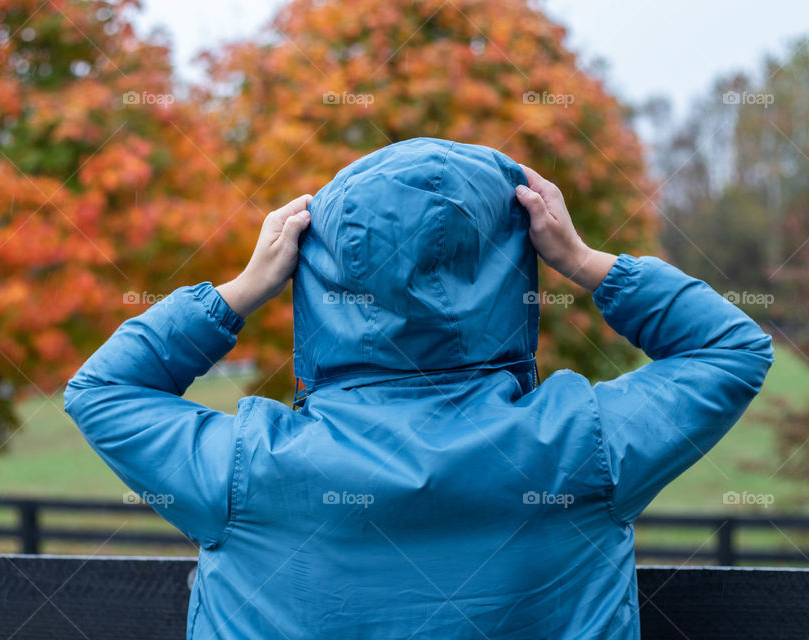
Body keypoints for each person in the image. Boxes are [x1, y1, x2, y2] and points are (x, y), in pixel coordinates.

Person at [64, 138, 773, 639]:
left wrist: (242, 290)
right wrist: (587, 262)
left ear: (316, 269)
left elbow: (101, 390)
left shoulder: (250, 466)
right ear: (518, 264)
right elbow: (731, 349)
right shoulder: (581, 446)